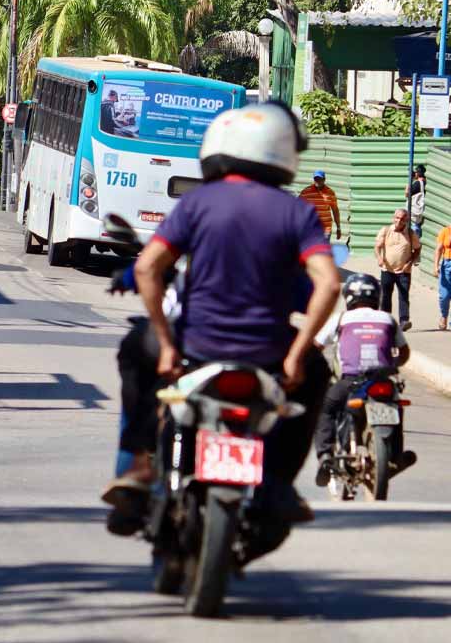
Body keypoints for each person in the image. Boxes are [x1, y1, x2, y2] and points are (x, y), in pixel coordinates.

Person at [104, 102, 339, 531]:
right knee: (317, 372)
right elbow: (329, 284)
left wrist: (167, 345)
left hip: (195, 345)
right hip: (269, 352)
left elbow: (148, 267)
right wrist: (295, 356)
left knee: (136, 350)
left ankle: (137, 464)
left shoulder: (198, 202)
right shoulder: (298, 212)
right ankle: (280, 485)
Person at [313, 273, 413, 487]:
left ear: (349, 297)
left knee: (326, 408)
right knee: (396, 407)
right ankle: (396, 456)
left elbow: (316, 346)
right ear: (377, 296)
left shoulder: (341, 319)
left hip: (351, 380)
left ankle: (325, 456)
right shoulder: (388, 319)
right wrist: (391, 365)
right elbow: (404, 352)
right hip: (383, 380)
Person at [375, 208, 420, 331]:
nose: (399, 221)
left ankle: (404, 321)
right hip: (387, 270)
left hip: (404, 271)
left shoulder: (410, 233)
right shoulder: (385, 230)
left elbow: (417, 249)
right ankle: (386, 320)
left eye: (402, 219)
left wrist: (410, 263)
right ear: (393, 218)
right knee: (385, 296)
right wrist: (379, 258)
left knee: (403, 295)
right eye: (397, 218)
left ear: (406, 220)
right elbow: (377, 247)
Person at [299, 169, 341, 240]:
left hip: (325, 230)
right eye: (315, 179)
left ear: (324, 179)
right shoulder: (306, 192)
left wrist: (338, 228)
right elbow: (297, 208)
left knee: (322, 247)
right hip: (310, 229)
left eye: (319, 179)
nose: (317, 181)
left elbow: (335, 211)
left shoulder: (330, 193)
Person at [435, 222, 451, 330]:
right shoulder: (445, 231)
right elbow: (439, 249)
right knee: (444, 295)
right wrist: (435, 266)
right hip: (447, 265)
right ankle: (444, 316)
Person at [406, 164, 426, 238]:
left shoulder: (418, 183)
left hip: (413, 219)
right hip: (417, 217)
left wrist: (410, 180)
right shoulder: (424, 182)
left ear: (418, 173)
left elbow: (407, 193)